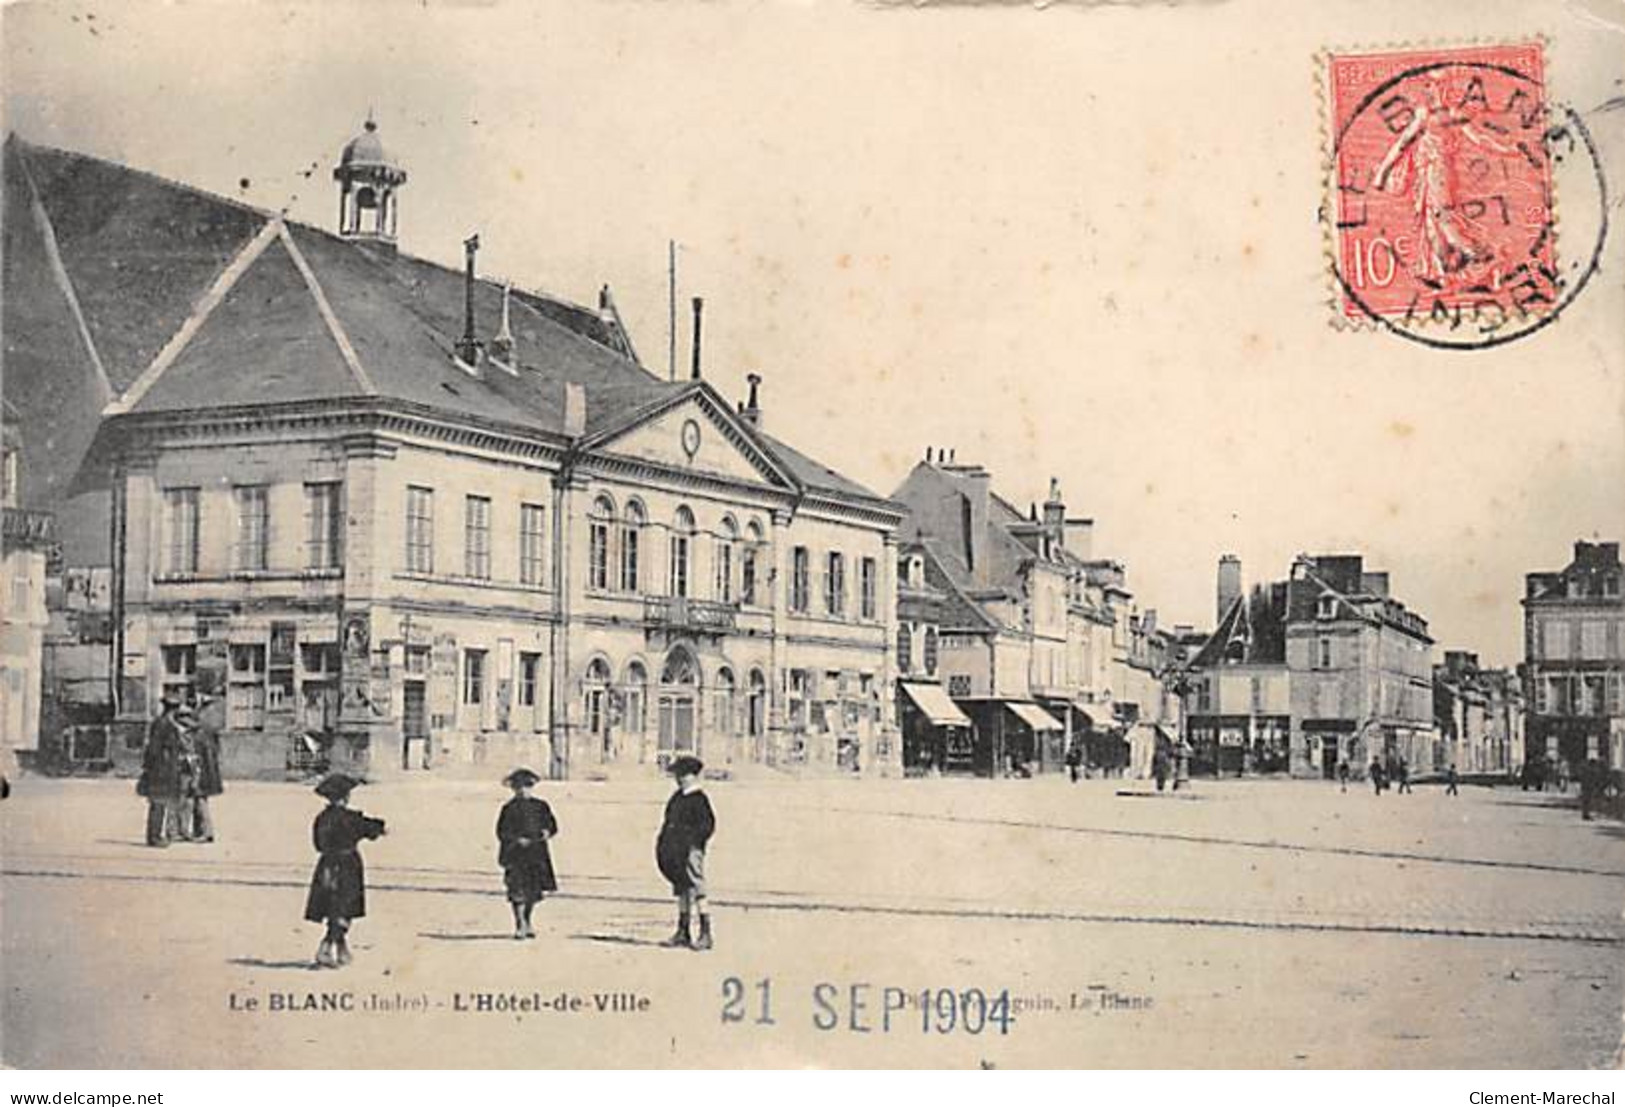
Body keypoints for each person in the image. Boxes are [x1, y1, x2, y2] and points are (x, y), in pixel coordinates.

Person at [304, 773, 387, 968]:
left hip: (326, 865)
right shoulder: (350, 818)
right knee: (344, 909)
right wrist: (380, 828)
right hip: (348, 865)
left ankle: (341, 950)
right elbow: (371, 829)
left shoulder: (321, 818)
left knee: (333, 907)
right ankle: (326, 947)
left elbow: (317, 844)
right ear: (345, 796)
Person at [656, 756, 716, 951]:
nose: (680, 779)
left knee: (697, 887)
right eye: (678, 775)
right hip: (676, 849)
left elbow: (708, 826)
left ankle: (705, 932)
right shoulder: (677, 798)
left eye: (684, 775)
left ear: (694, 776)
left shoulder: (699, 799)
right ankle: (683, 930)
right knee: (681, 887)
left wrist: (694, 843)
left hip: (691, 850)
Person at [496, 767, 558, 940]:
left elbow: (552, 825)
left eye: (527, 786)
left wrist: (547, 832)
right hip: (516, 854)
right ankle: (519, 924)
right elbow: (502, 831)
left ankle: (527, 920)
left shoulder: (541, 806)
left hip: (536, 854)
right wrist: (516, 840)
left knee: (533, 891)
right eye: (519, 787)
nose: (523, 790)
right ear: (513, 789)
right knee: (517, 891)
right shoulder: (508, 808)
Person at [137, 693, 187, 847]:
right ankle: (154, 837)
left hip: (165, 769)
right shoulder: (163, 724)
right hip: (161, 770)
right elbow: (154, 749)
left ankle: (156, 835)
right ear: (173, 709)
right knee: (158, 804)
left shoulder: (165, 723)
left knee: (161, 804)